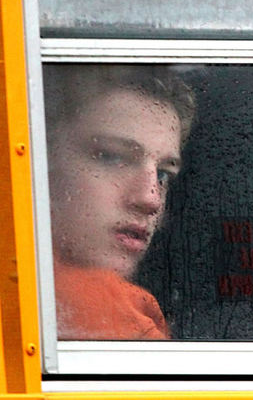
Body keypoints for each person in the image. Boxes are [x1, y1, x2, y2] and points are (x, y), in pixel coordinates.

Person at [44, 65, 195, 340]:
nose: (150, 199)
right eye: (113, 157)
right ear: (41, 159)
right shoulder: (111, 318)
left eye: (163, 174)